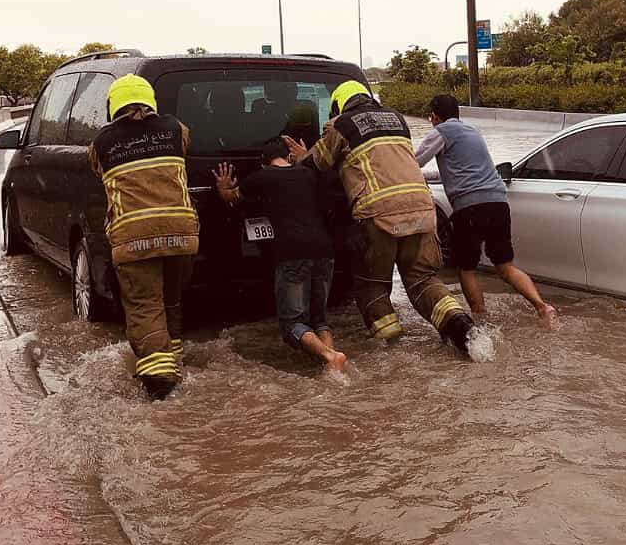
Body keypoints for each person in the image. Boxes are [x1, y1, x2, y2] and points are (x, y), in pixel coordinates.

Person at [284, 81, 478, 356]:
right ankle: (462, 327)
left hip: (377, 215)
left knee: (371, 287)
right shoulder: (397, 119)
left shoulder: (341, 125)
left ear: (339, 105)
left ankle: (394, 353)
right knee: (424, 280)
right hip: (422, 210)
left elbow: (318, 164)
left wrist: (301, 157)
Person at [88, 74, 199, 399]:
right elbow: (185, 148)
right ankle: (174, 357)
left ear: (114, 106)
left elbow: (98, 170)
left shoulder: (101, 143)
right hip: (181, 233)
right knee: (171, 300)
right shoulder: (176, 129)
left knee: (144, 305)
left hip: (133, 237)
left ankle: (160, 381)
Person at [415, 93, 557, 325]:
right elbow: (460, 171)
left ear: (434, 116)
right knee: (505, 266)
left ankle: (481, 322)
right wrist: (427, 177)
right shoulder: (473, 132)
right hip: (498, 204)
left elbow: (414, 161)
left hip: (470, 208)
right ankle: (542, 307)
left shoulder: (441, 132)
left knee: (466, 268)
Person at [212, 139, 348, 372]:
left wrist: (223, 188)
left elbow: (232, 198)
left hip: (293, 253)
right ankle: (334, 368)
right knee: (319, 320)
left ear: (264, 163)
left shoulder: (261, 178)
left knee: (292, 324)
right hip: (325, 251)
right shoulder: (309, 175)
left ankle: (329, 355)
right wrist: (305, 156)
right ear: (288, 157)